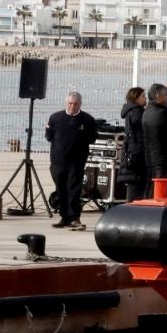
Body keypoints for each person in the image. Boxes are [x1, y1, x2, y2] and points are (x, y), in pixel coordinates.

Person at [44, 91, 98, 230]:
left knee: (74, 188)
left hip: (77, 160)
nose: (72, 106)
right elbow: (49, 136)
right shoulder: (55, 118)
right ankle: (64, 217)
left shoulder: (87, 119)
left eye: (75, 104)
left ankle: (74, 217)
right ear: (66, 103)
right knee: (61, 188)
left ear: (80, 104)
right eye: (70, 103)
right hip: (58, 160)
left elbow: (92, 137)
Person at [143, 83, 167, 191]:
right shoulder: (162, 113)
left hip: (152, 156)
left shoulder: (148, 111)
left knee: (151, 187)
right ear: (157, 96)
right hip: (163, 158)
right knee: (163, 188)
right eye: (165, 95)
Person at [119, 87, 149, 202]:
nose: (145, 98)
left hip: (131, 155)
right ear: (135, 99)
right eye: (142, 96)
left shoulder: (130, 111)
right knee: (136, 189)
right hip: (136, 157)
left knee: (134, 188)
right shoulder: (138, 113)